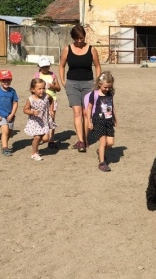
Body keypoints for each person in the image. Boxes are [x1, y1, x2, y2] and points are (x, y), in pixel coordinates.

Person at [58, 24, 101, 153]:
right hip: (72, 84)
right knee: (77, 112)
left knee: (86, 112)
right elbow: (61, 66)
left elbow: (98, 66)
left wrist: (97, 83)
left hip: (88, 83)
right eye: (77, 39)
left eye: (81, 38)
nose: (80, 41)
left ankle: (86, 138)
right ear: (73, 38)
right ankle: (81, 140)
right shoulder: (67, 49)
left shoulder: (91, 50)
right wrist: (63, 81)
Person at [86, 71, 117, 172]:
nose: (107, 89)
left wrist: (115, 118)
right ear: (100, 84)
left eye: (109, 87)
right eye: (105, 87)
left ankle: (100, 151)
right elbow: (89, 108)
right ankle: (102, 163)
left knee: (111, 143)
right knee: (103, 142)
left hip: (109, 120)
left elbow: (112, 106)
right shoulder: (94, 94)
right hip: (98, 120)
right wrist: (89, 122)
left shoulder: (110, 93)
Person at [23, 79, 56, 161]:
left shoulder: (47, 96)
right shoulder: (30, 99)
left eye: (43, 88)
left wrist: (51, 110)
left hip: (44, 120)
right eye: (39, 89)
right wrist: (32, 112)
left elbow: (52, 100)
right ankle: (34, 153)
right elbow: (25, 110)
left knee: (45, 139)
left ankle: (35, 142)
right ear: (33, 89)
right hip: (35, 121)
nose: (42, 90)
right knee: (37, 137)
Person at [0, 70, 19, 157]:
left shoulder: (12, 91)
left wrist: (12, 114)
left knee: (9, 132)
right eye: (3, 80)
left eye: (8, 80)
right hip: (1, 115)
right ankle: (5, 148)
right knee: (5, 130)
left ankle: (3, 143)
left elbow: (15, 103)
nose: (6, 82)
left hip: (10, 115)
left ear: (11, 80)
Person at [35, 56, 61, 149]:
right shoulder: (37, 75)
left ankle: (51, 140)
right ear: (39, 66)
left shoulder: (53, 75)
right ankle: (40, 136)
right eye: (43, 67)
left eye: (47, 66)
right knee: (40, 118)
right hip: (41, 100)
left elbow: (59, 88)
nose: (45, 68)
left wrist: (53, 86)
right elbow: (33, 88)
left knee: (51, 119)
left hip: (52, 100)